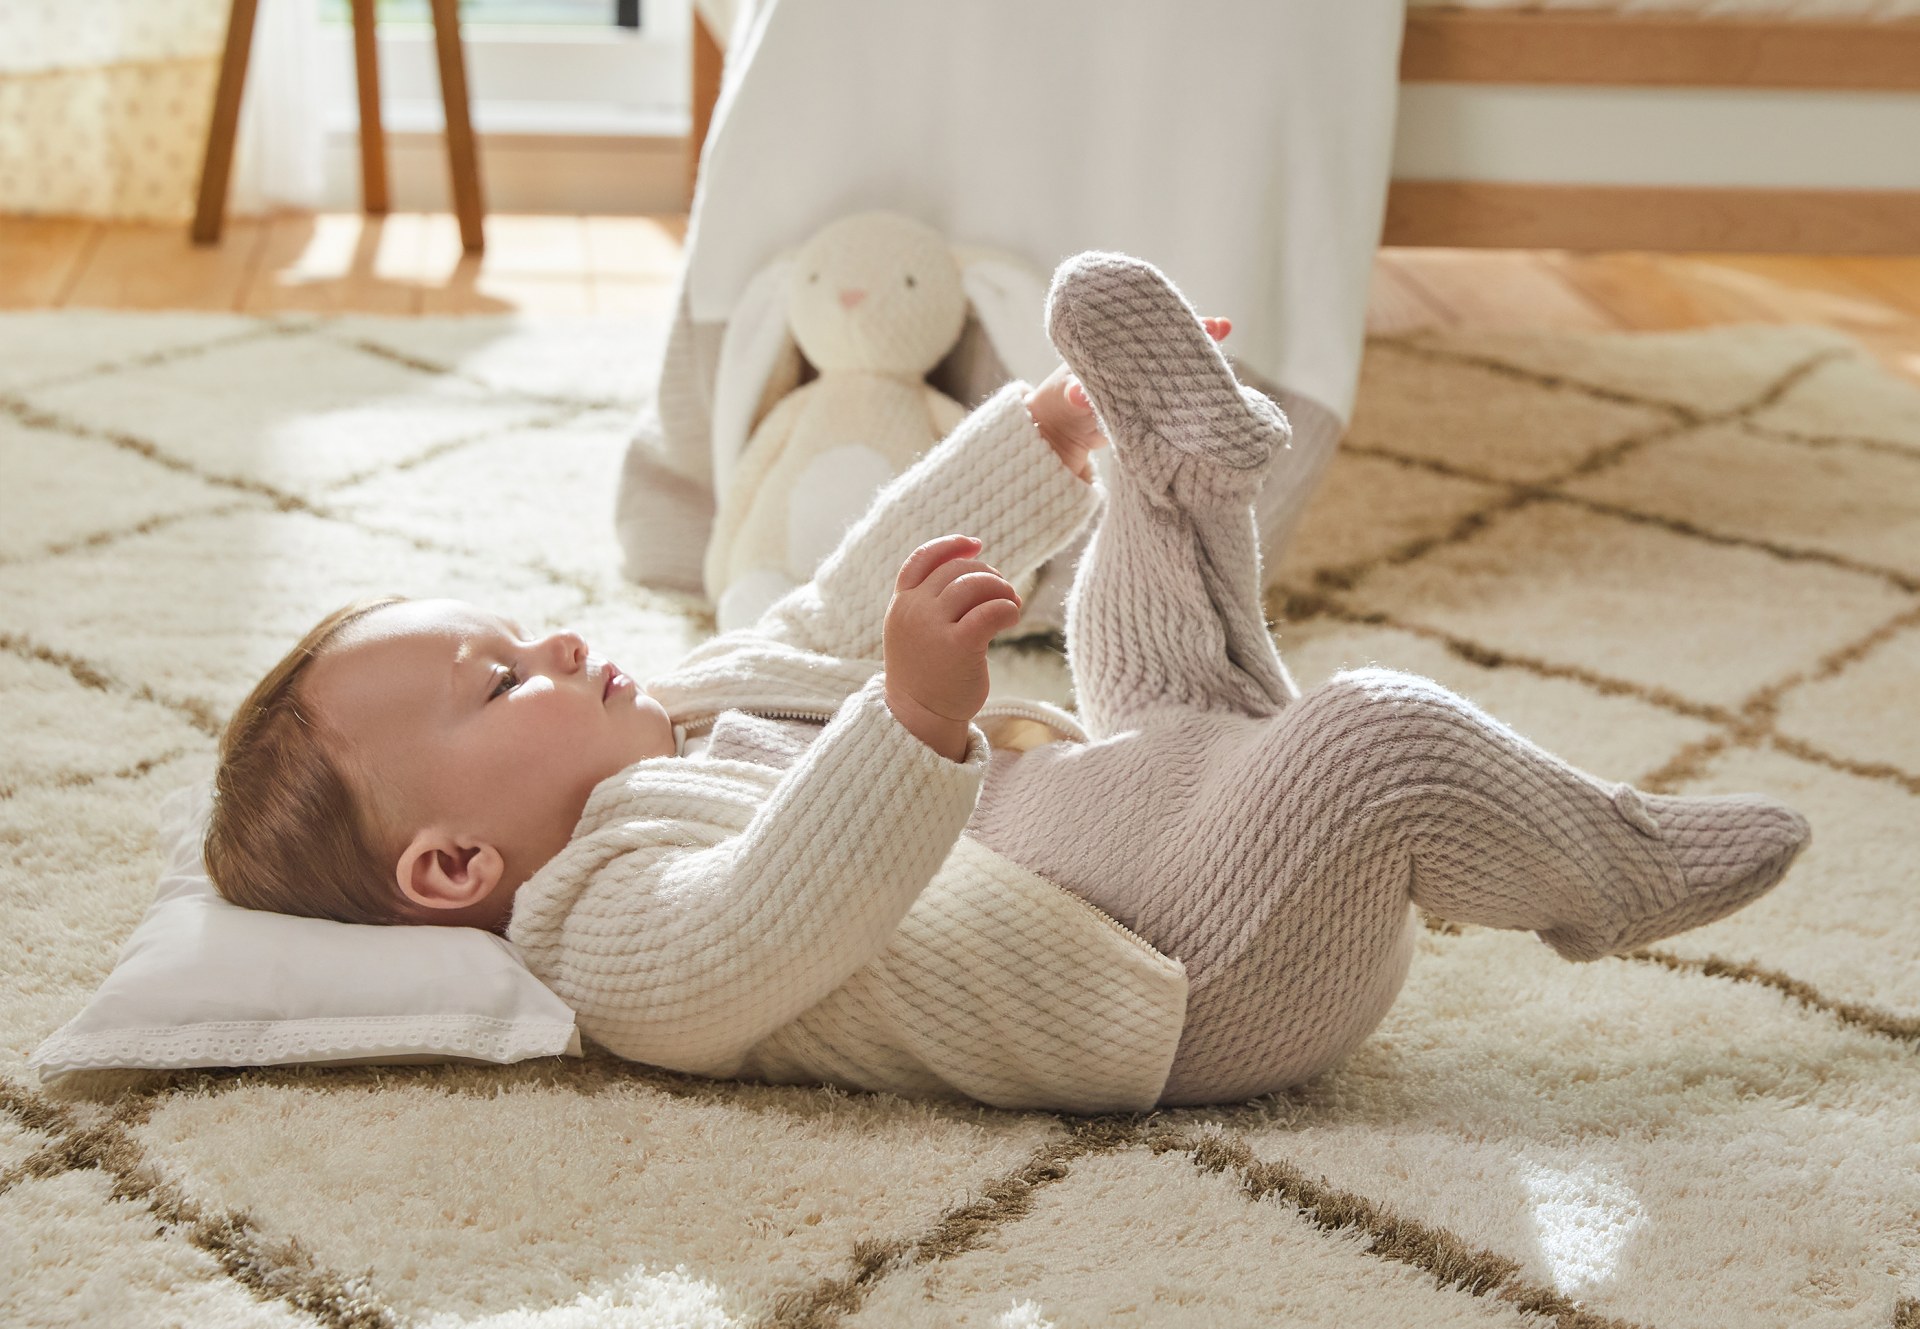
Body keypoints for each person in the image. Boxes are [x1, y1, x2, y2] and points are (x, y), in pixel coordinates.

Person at [205, 253, 1811, 1113]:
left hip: (1140, 810)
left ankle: (1170, 462)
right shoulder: (598, 924)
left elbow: (841, 606)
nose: (555, 642)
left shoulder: (670, 708)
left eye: (518, 628)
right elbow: (759, 922)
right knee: (1371, 740)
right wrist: (910, 723)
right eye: (501, 683)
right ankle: (1615, 868)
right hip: (1187, 979)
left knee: (1139, 629)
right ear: (451, 866)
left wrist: (1031, 449)